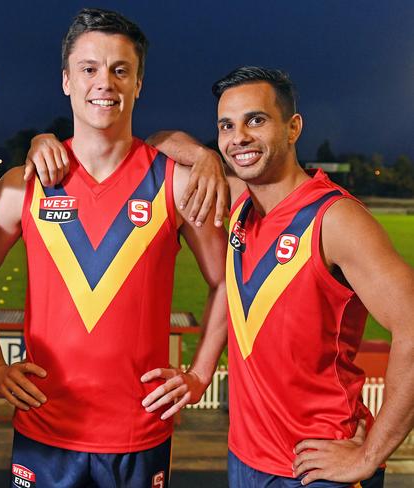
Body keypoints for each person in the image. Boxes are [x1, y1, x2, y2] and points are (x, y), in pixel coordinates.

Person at [0, 8, 228, 488]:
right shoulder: (25, 184)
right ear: (66, 81)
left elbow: (224, 281)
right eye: (89, 69)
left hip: (139, 430)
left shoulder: (174, 182)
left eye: (121, 70)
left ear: (139, 83)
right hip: (45, 426)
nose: (105, 83)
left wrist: (200, 373)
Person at [144, 67, 414, 487]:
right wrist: (204, 158)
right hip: (246, 461)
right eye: (226, 126)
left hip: (318, 470)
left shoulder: (334, 219)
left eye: (256, 120)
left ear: (293, 128)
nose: (240, 138)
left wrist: (368, 454)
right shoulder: (238, 204)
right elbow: (158, 141)